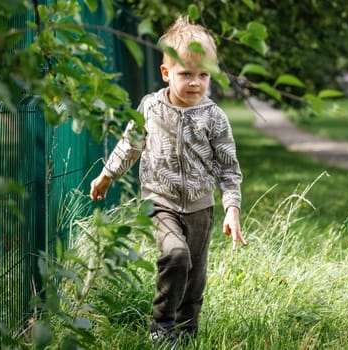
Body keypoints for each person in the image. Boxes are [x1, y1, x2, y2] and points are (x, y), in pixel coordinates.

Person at [89, 15, 246, 344]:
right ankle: (161, 325)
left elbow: (228, 167)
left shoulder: (214, 117)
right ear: (166, 73)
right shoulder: (151, 108)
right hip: (159, 201)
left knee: (194, 277)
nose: (195, 83)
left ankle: (187, 334)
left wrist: (232, 207)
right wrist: (107, 176)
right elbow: (130, 145)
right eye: (186, 74)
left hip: (201, 206)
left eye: (203, 75)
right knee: (176, 256)